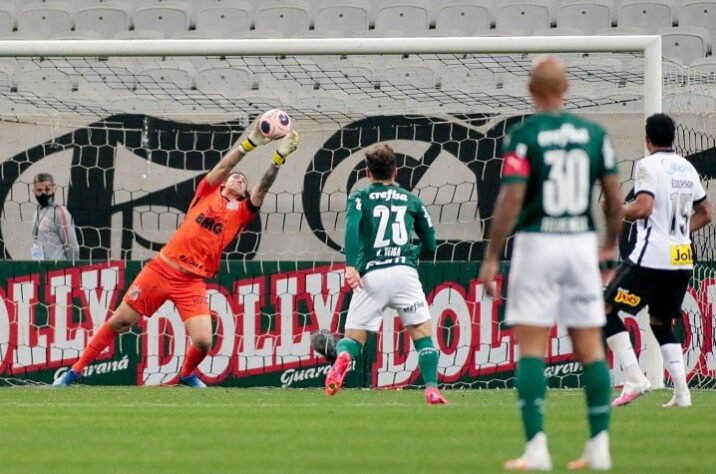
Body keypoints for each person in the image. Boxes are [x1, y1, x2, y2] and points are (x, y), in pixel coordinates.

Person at [53, 117, 300, 388]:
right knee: (120, 321)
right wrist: (250, 143)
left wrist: (278, 158)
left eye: (243, 181)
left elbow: (262, 190)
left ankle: (186, 373)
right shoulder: (206, 194)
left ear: (243, 194)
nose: (238, 179)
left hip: (191, 281)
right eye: (235, 177)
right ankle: (72, 373)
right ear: (223, 184)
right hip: (161, 268)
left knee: (204, 341)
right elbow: (223, 166)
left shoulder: (241, 213)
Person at [478, 56, 623, 471]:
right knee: (591, 347)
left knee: (532, 349)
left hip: (538, 243)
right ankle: (599, 446)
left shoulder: (524, 136)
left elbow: (510, 199)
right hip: (580, 243)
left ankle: (537, 448)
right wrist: (609, 246)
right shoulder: (595, 134)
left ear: (531, 91)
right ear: (567, 87)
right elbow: (614, 198)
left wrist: (491, 256)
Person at [322, 143, 448, 405]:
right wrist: (411, 254)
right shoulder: (412, 200)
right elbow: (431, 243)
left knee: (353, 340)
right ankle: (432, 389)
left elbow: (352, 229)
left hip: (372, 275)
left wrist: (350, 266)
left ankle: (343, 359)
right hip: (404, 273)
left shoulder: (359, 197)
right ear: (396, 171)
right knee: (422, 334)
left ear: (368, 172)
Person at [605, 113, 712, 409]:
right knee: (661, 322)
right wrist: (678, 232)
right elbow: (706, 212)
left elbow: (643, 207)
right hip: (681, 257)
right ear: (672, 137)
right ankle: (682, 393)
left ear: (647, 139)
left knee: (605, 308)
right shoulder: (687, 168)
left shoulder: (647, 165)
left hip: (652, 257)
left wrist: (617, 208)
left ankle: (635, 378)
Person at [31, 173, 80, 261]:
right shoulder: (37, 213)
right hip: (40, 268)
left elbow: (72, 247)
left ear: (54, 189)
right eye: (39, 190)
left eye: (47, 189)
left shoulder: (60, 212)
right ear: (33, 191)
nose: (43, 193)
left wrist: (70, 270)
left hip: (58, 270)